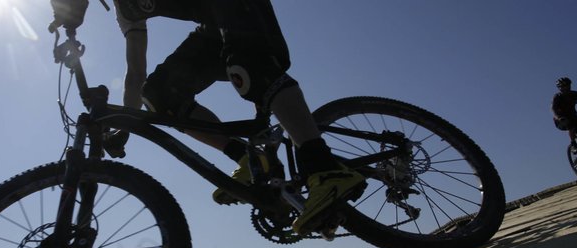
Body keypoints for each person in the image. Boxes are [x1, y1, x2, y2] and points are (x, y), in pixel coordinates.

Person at [50, 0, 365, 235]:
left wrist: (69, 14)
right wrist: (124, 131)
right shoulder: (128, 10)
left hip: (240, 7)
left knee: (248, 68)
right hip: (214, 28)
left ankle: (324, 167)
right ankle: (248, 156)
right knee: (158, 95)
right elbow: (135, 73)